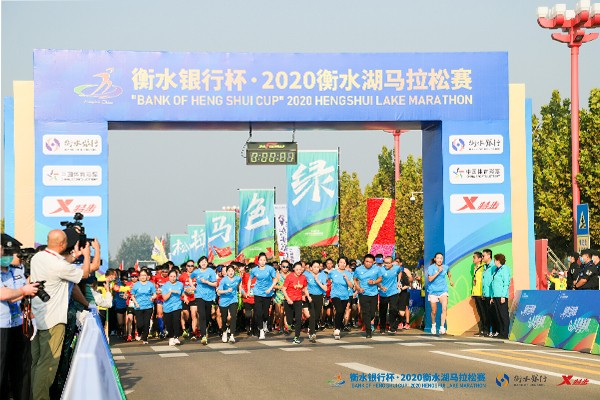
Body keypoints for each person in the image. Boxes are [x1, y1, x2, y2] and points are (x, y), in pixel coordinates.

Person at [29, 229, 100, 400]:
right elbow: (84, 274)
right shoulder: (59, 266)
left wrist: (75, 255)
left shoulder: (38, 258)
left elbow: (62, 263)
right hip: (54, 320)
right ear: (62, 244)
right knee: (48, 365)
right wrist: (87, 254)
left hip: (39, 318)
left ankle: (35, 395)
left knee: (37, 362)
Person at [0, 234, 39, 400]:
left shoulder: (15, 271)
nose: (8, 256)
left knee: (21, 369)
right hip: (1, 327)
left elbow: (17, 295)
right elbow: (4, 294)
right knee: (1, 370)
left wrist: (25, 292)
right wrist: (23, 291)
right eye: (6, 252)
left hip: (17, 324)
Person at [189, 256, 218, 345]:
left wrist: (207, 282)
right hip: (199, 295)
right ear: (199, 263)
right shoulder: (196, 272)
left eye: (205, 261)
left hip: (209, 296)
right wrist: (192, 286)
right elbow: (190, 277)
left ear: (207, 263)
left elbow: (215, 284)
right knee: (201, 314)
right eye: (202, 262)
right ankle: (203, 336)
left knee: (207, 315)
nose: (203, 263)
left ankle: (205, 328)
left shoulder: (211, 271)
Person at [248, 252, 277, 340]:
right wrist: (249, 290)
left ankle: (265, 322)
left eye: (264, 260)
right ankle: (261, 330)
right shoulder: (254, 270)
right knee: (259, 312)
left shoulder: (270, 269)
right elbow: (249, 280)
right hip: (257, 293)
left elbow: (275, 279)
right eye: (261, 260)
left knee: (265, 313)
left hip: (267, 293)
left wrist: (270, 288)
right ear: (258, 261)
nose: (262, 262)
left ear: (266, 261)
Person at [353, 254, 382, 338]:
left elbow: (380, 279)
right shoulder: (358, 269)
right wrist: (358, 288)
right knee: (366, 312)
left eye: (370, 262)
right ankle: (368, 331)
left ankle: (368, 322)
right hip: (363, 293)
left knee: (372, 313)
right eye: (367, 261)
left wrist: (373, 282)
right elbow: (355, 279)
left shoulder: (377, 269)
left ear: (373, 262)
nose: (368, 263)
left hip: (374, 293)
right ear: (364, 261)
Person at [282, 261, 310, 344]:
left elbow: (305, 288)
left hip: (298, 300)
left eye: (300, 269)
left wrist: (308, 296)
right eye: (297, 269)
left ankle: (296, 337)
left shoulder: (303, 277)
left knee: (298, 318)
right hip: (288, 300)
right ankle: (289, 324)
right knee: (289, 320)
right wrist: (288, 299)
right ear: (293, 269)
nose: (298, 271)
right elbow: (283, 289)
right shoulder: (289, 277)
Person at [426, 252, 454, 335]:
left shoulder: (445, 267)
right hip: (433, 291)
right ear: (435, 259)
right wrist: (438, 272)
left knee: (444, 308)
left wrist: (451, 280)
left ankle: (442, 327)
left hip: (443, 291)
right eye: (438, 258)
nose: (440, 260)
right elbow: (430, 279)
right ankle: (433, 325)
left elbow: (448, 272)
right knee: (434, 311)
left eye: (441, 258)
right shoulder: (431, 268)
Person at [327, 257, 354, 340]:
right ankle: (337, 329)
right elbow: (327, 280)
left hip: (345, 295)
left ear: (346, 264)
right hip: (335, 295)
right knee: (338, 310)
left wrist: (347, 279)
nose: (342, 264)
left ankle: (338, 325)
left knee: (341, 312)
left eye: (344, 262)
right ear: (338, 263)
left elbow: (351, 286)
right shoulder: (333, 272)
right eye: (341, 262)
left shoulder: (348, 273)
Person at [130, 269, 157, 344]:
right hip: (138, 307)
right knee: (140, 324)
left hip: (148, 306)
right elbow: (132, 295)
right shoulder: (136, 285)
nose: (143, 277)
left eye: (144, 275)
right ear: (139, 276)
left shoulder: (151, 284)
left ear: (147, 276)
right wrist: (136, 303)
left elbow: (155, 294)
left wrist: (153, 297)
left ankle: (145, 338)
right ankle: (139, 332)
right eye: (141, 275)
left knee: (146, 323)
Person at [217, 265, 242, 343]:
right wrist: (227, 291)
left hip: (233, 299)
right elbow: (219, 292)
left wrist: (240, 291)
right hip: (224, 301)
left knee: (233, 316)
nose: (231, 272)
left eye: (232, 271)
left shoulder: (237, 278)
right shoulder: (223, 280)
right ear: (226, 272)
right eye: (229, 271)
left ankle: (232, 335)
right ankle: (224, 332)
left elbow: (240, 282)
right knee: (224, 318)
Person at [304, 260, 327, 342]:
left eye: (318, 267)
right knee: (312, 315)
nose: (317, 269)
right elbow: (305, 287)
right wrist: (307, 296)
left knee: (317, 316)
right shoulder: (307, 275)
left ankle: (310, 327)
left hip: (319, 297)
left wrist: (318, 281)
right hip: (310, 296)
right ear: (311, 268)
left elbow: (325, 288)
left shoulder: (322, 275)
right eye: (315, 267)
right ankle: (312, 333)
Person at [378, 256, 401, 334]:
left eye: (388, 263)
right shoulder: (381, 270)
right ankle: (382, 328)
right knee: (383, 311)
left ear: (392, 263)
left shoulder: (396, 268)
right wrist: (381, 287)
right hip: (383, 293)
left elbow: (400, 272)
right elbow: (377, 280)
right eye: (385, 263)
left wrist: (398, 282)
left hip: (393, 292)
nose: (386, 265)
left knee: (393, 309)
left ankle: (392, 327)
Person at [160, 269, 184, 346]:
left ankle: (176, 337)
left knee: (176, 321)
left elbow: (182, 293)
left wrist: (187, 294)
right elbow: (164, 298)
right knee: (169, 324)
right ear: (168, 277)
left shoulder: (180, 284)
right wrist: (170, 292)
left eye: (174, 276)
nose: (173, 278)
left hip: (177, 306)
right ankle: (171, 337)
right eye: (171, 276)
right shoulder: (165, 286)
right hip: (167, 307)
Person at [490, 253, 511, 339]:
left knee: (503, 314)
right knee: (498, 315)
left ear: (498, 261)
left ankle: (505, 333)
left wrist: (503, 296)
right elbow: (493, 283)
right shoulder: (496, 270)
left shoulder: (504, 269)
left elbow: (506, 283)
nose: (494, 261)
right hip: (496, 295)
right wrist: (492, 296)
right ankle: (500, 331)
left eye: (495, 260)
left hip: (501, 296)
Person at [471, 251, 488, 336]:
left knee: (484, 312)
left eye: (474, 257)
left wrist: (483, 293)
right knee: (480, 312)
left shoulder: (483, 267)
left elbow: (483, 281)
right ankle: (481, 329)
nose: (473, 259)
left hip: (481, 293)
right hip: (476, 293)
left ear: (480, 259)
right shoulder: (475, 268)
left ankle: (486, 329)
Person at [481, 249, 496, 337]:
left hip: (491, 294)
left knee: (492, 314)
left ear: (489, 256)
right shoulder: (485, 267)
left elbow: (493, 281)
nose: (482, 257)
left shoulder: (493, 266)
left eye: (483, 256)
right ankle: (487, 330)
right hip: (486, 294)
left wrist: (492, 296)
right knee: (486, 313)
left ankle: (493, 330)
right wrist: (483, 293)